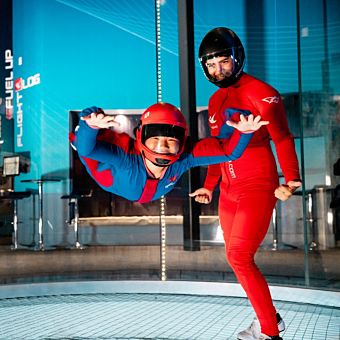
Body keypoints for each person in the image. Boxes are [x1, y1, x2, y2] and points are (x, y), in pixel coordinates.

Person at [190, 27, 302, 340]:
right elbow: (217, 148)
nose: (217, 70)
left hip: (257, 184)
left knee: (239, 256)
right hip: (227, 189)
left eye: (222, 61)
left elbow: (282, 137)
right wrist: (209, 185)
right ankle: (269, 318)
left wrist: (291, 177)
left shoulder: (261, 91)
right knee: (237, 257)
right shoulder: (214, 101)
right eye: (210, 66)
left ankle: (269, 332)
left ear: (236, 57)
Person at [70, 102, 268, 203]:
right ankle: (83, 131)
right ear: (141, 138)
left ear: (182, 142)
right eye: (155, 141)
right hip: (107, 173)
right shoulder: (126, 159)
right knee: (84, 149)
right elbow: (88, 149)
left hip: (138, 188)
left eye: (170, 141)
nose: (162, 148)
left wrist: (244, 132)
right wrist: (90, 127)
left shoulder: (183, 159)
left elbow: (228, 152)